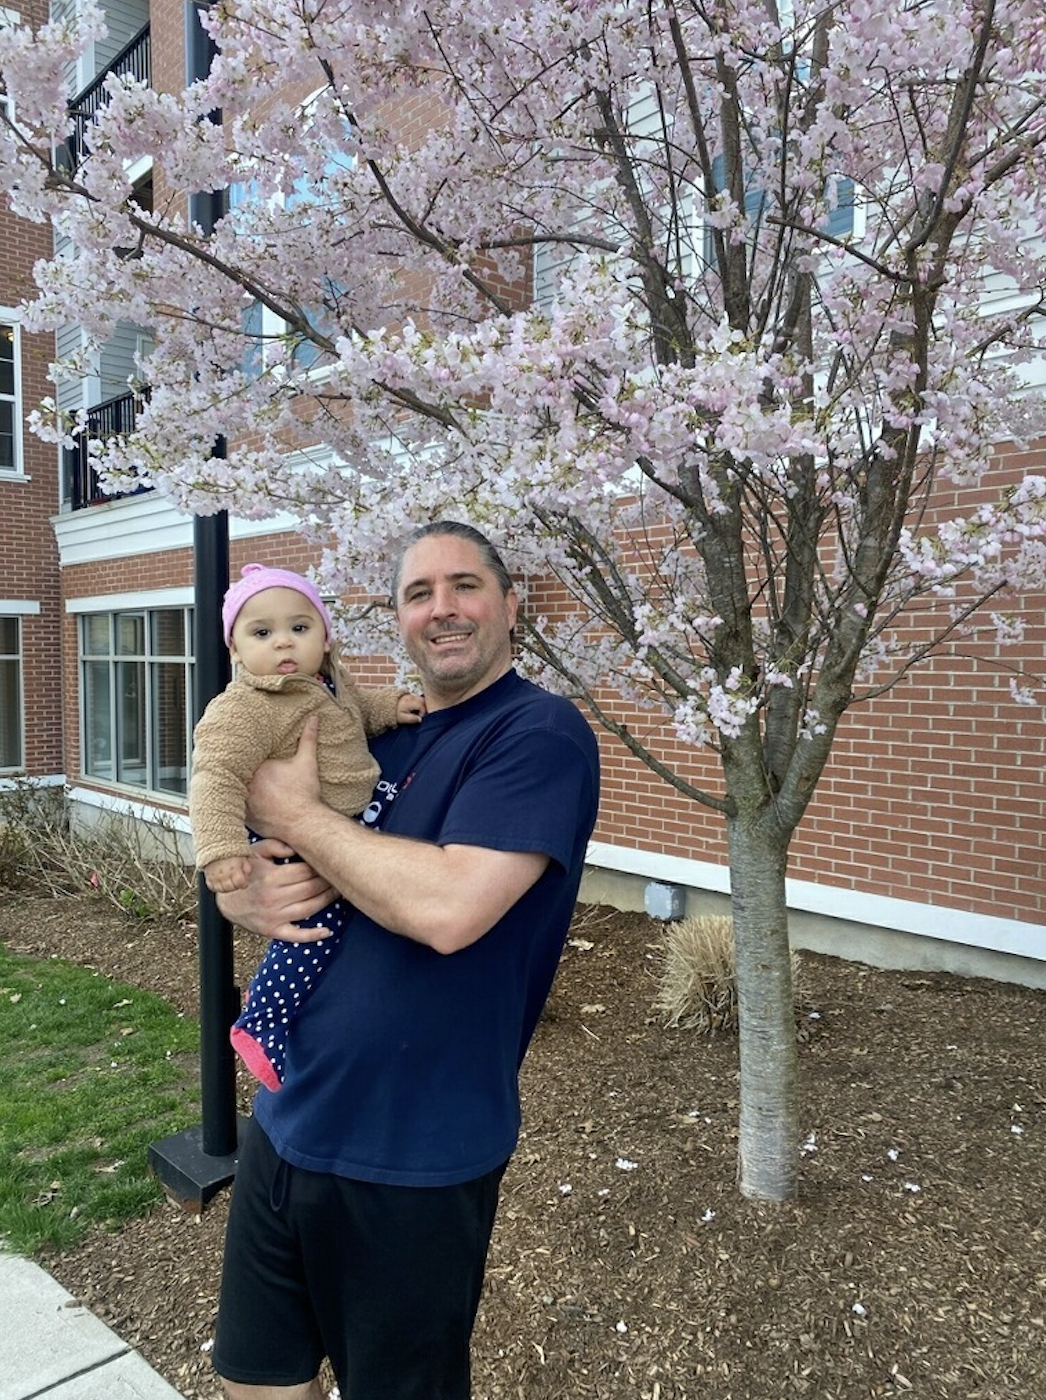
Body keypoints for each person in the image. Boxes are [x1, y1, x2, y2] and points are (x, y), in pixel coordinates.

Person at [211, 521, 600, 1400]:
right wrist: (240, 892)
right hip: (285, 1123)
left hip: (413, 1156)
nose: (442, 609)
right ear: (396, 618)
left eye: (464, 586)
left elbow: (449, 908)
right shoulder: (365, 734)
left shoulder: (537, 734)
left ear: (511, 604)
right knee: (255, 1380)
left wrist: (300, 818)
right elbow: (254, 847)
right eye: (417, 594)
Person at [189, 562, 424, 1091]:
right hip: (293, 843)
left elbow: (355, 709)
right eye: (262, 633)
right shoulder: (245, 708)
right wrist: (222, 850)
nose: (284, 644)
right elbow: (214, 776)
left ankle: (283, 1009)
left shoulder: (326, 682)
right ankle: (262, 1022)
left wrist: (391, 705)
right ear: (235, 650)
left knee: (331, 927)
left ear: (324, 634)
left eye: (300, 627)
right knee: (311, 932)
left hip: (333, 828)